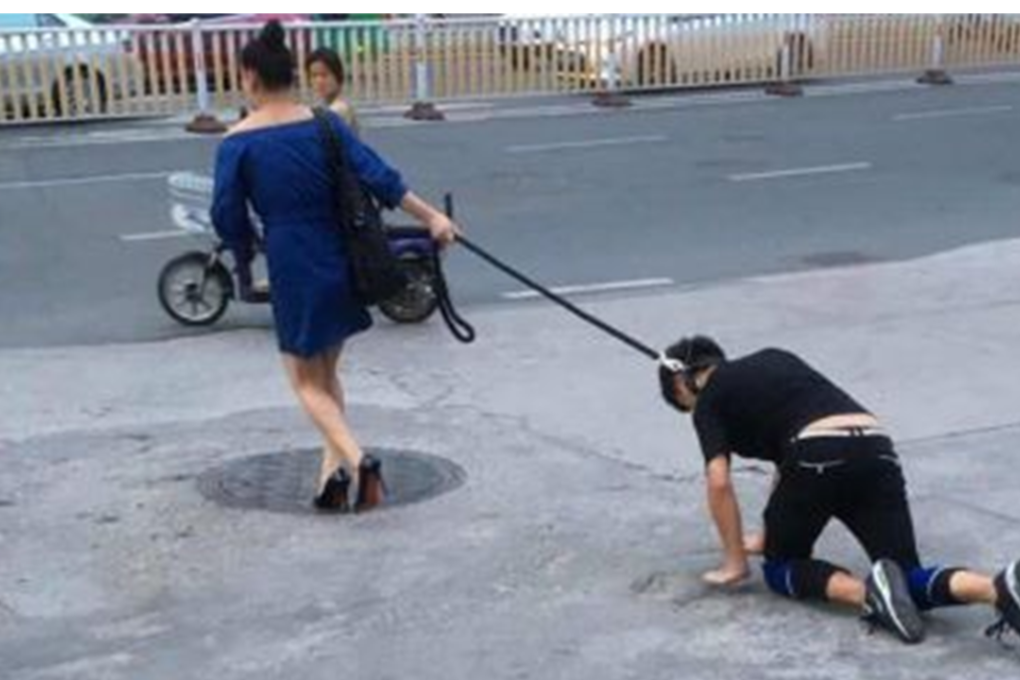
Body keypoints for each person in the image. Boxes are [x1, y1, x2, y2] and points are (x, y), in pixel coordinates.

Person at [212, 21, 457, 513]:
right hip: (342, 257)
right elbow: (381, 177)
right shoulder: (326, 125)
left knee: (303, 382)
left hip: (292, 262)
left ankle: (360, 461)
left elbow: (227, 218)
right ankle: (332, 479)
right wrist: (432, 217)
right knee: (326, 377)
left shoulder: (237, 143)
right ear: (292, 76)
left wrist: (247, 248)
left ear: (251, 78)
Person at [658, 335, 1020, 645]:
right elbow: (789, 460)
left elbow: (719, 480)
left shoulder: (709, 403)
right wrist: (771, 531)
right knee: (907, 574)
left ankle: (867, 595)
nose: (692, 413)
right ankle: (997, 588)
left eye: (684, 406)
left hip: (816, 455)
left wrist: (735, 560)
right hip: (876, 449)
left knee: (781, 566)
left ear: (680, 385)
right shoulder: (776, 358)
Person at [306, 47, 360, 135]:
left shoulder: (340, 108)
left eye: (324, 75)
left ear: (338, 75)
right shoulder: (322, 104)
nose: (319, 81)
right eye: (314, 75)